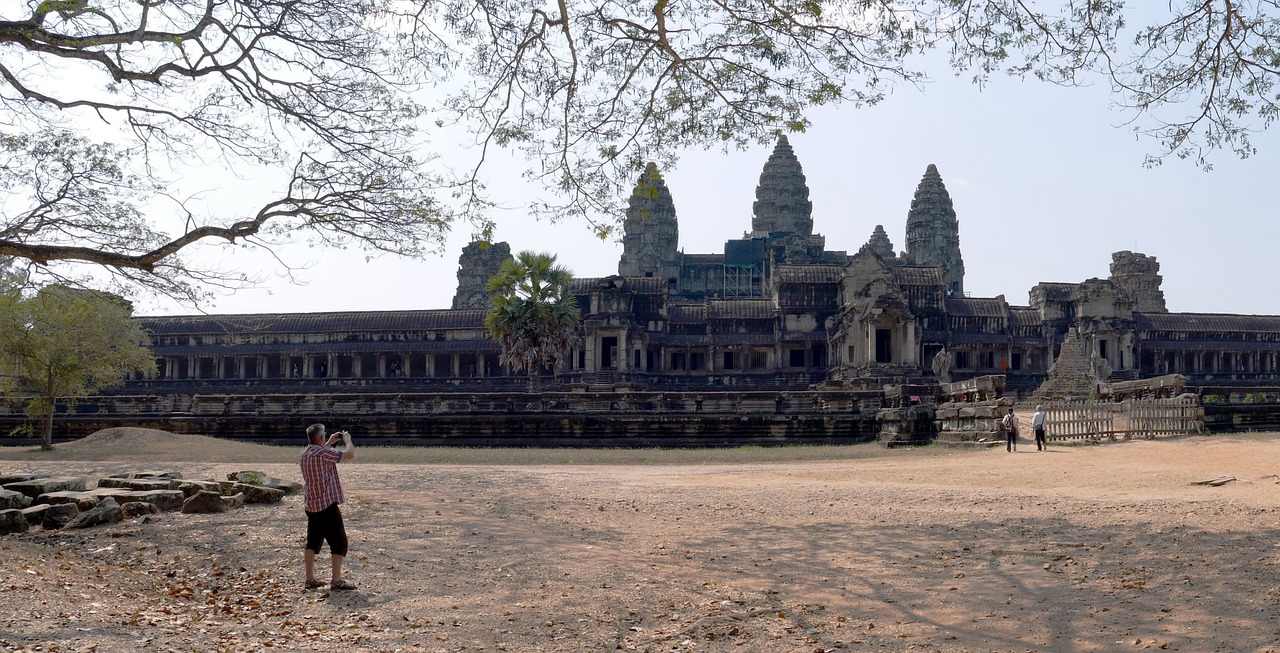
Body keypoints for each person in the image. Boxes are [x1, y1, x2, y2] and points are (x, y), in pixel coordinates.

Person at [300, 423, 357, 590]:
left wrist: (330, 442)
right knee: (339, 542)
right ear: (320, 437)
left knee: (312, 542)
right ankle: (336, 580)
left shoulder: (305, 453)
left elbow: (319, 453)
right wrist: (347, 440)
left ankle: (309, 578)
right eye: (324, 434)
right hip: (326, 505)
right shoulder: (324, 453)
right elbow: (350, 454)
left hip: (311, 504)